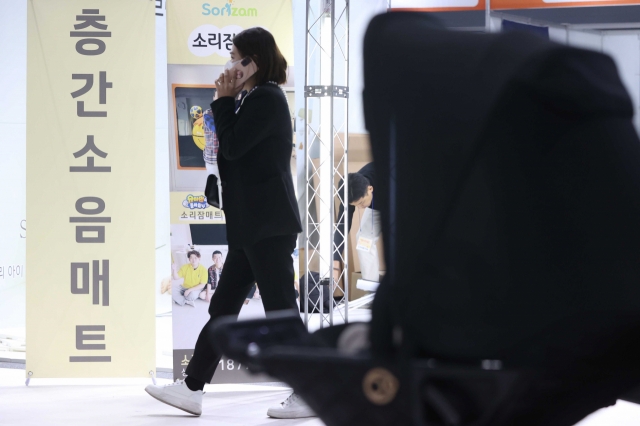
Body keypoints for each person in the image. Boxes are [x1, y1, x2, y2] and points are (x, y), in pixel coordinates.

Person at [145, 27, 304, 418]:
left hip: (267, 224)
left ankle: (310, 390)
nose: (230, 64)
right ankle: (192, 387)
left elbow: (232, 146)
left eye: (236, 57)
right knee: (225, 307)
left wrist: (222, 100)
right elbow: (227, 155)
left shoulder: (266, 97)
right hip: (254, 224)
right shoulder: (251, 98)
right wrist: (227, 101)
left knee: (280, 309)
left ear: (254, 61)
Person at [332, 162, 376, 283]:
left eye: (361, 203)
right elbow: (342, 226)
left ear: (370, 188)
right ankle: (371, 286)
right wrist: (335, 262)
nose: (360, 207)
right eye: (355, 205)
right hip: (377, 208)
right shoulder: (350, 191)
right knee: (363, 239)